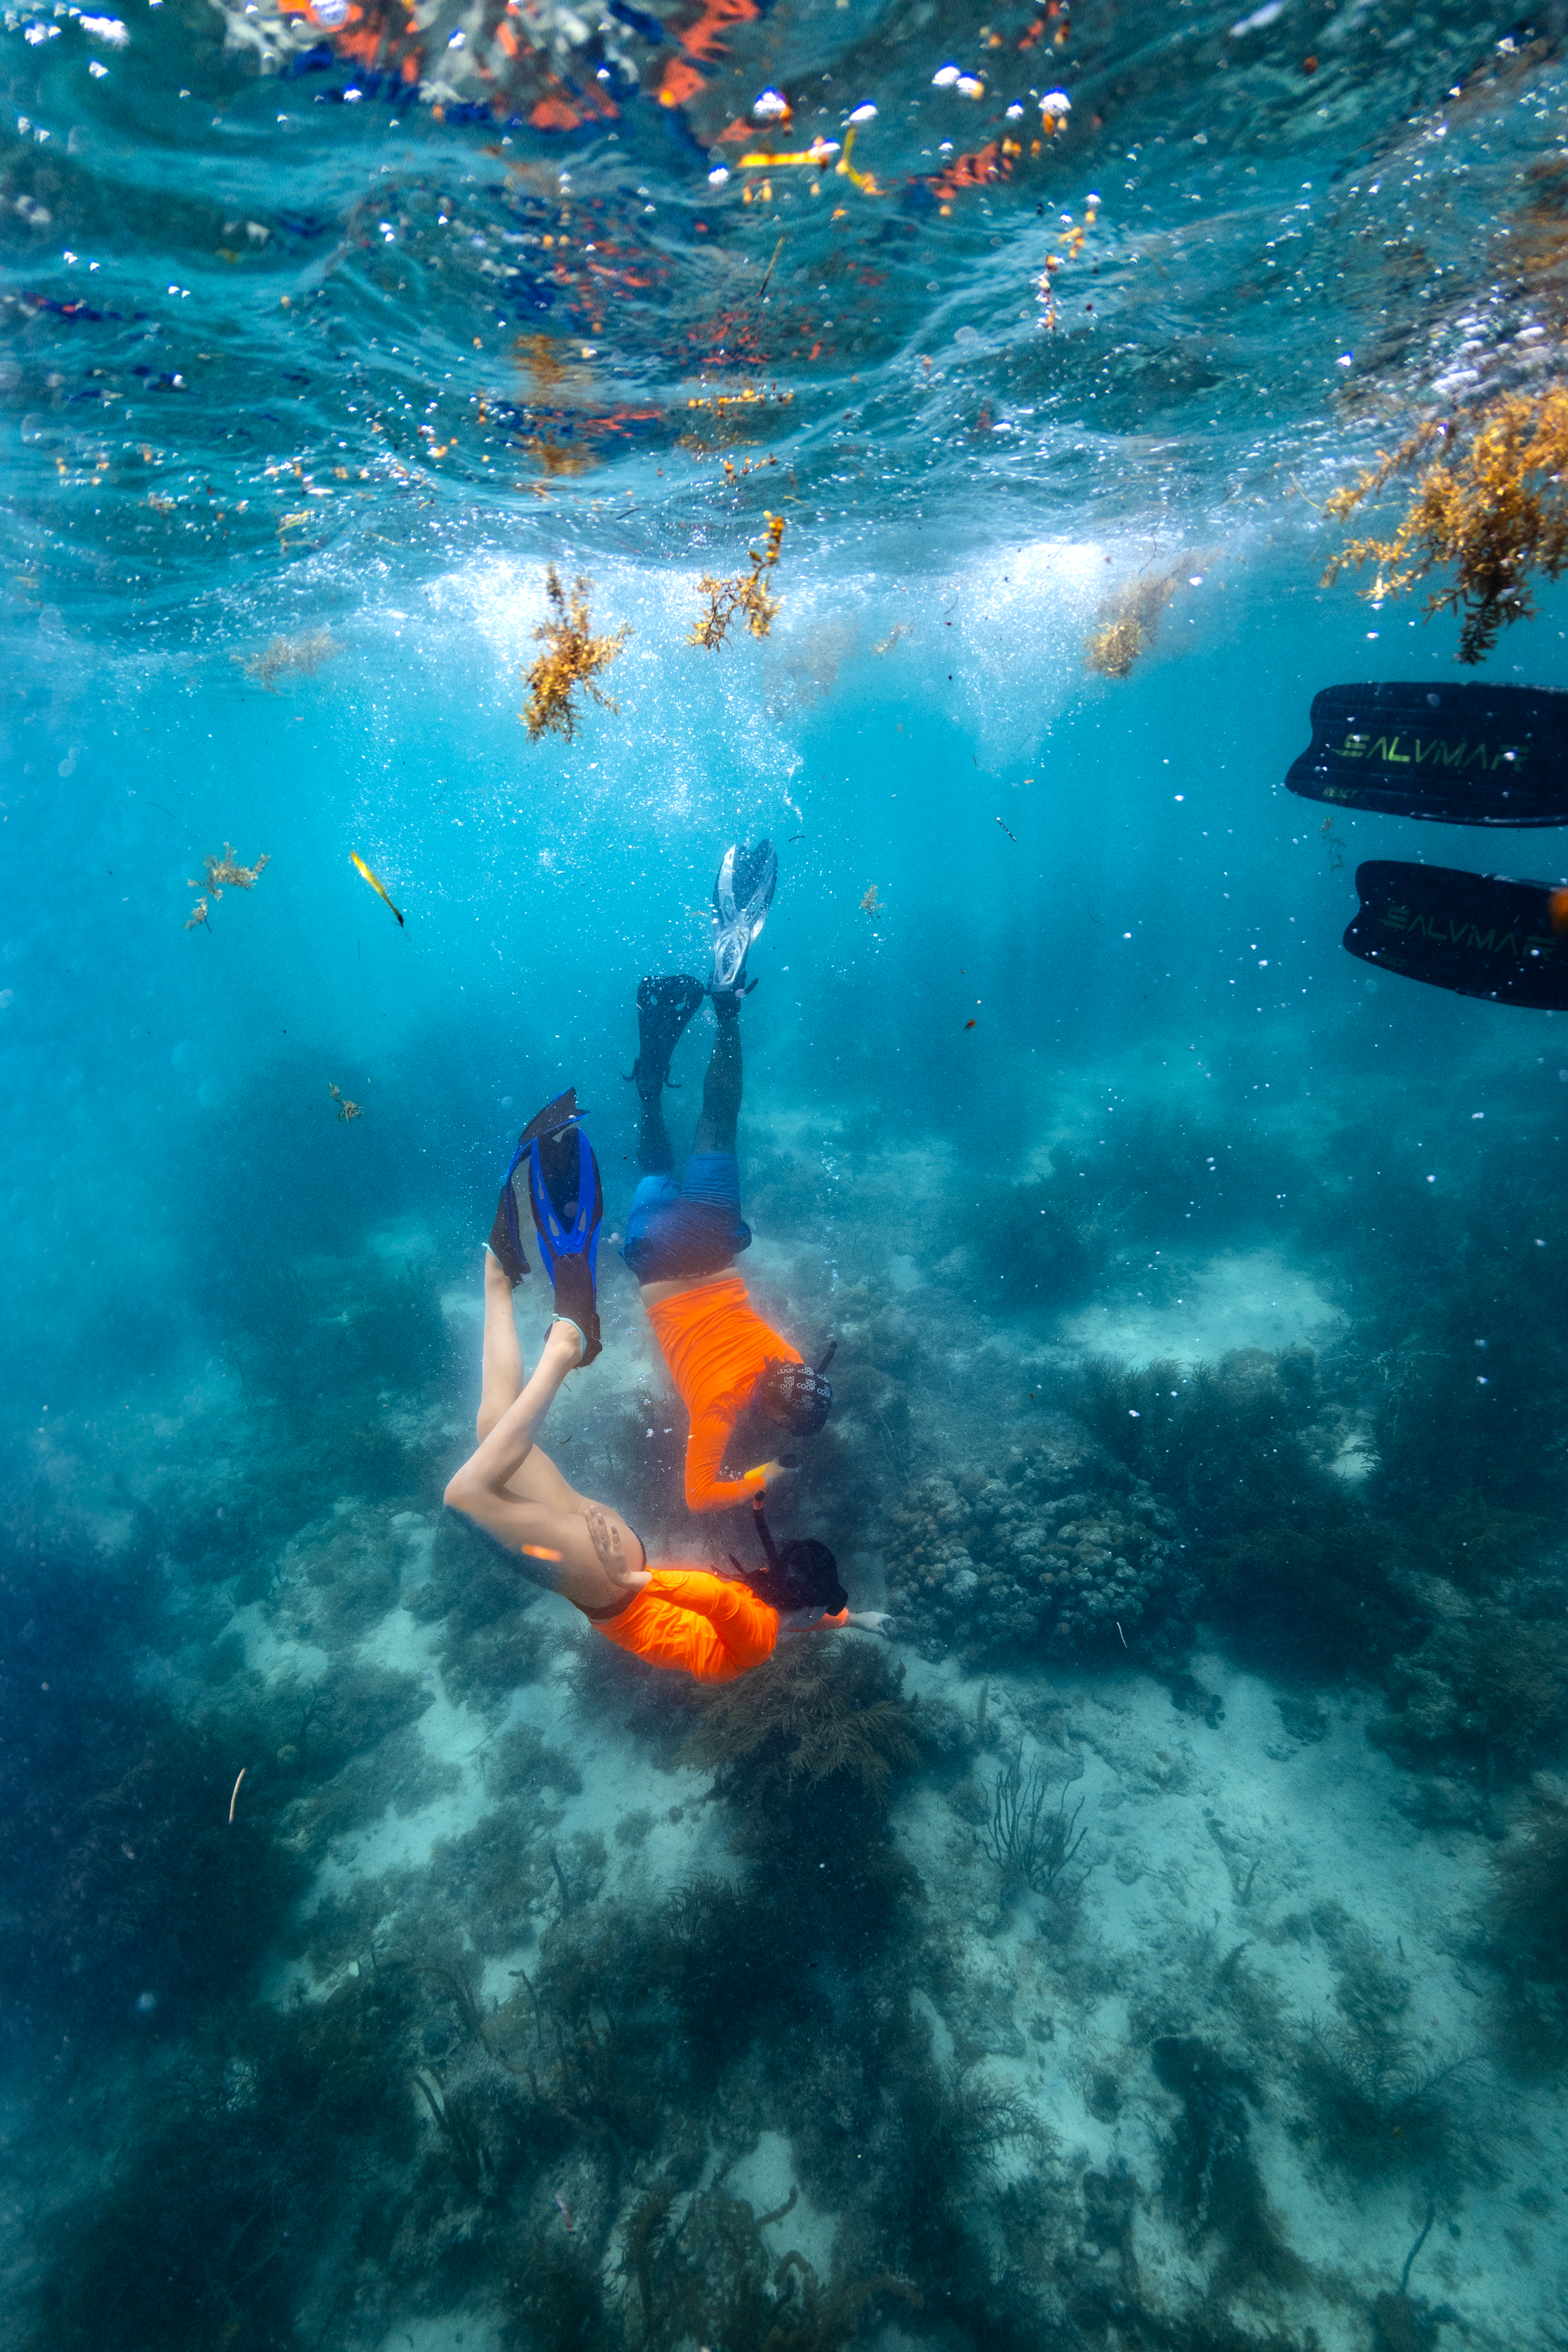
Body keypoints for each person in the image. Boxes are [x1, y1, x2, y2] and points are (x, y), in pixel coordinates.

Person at [445, 1090, 889, 1682]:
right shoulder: (757, 1639)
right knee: (464, 1496)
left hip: (620, 1564)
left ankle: (497, 1282)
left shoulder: (770, 1618)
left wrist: (852, 1620)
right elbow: (720, 1602)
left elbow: (768, 1610)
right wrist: (639, 1581)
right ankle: (561, 1352)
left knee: (491, 1432)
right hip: (611, 1584)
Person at [622, 841, 835, 1514]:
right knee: (655, 1165)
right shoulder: (717, 1411)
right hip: (657, 1256)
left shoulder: (791, 1353)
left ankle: (727, 1011)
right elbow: (698, 1496)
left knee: (719, 1119)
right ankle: (650, 1095)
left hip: (711, 1241)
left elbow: (792, 1388)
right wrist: (765, 1474)